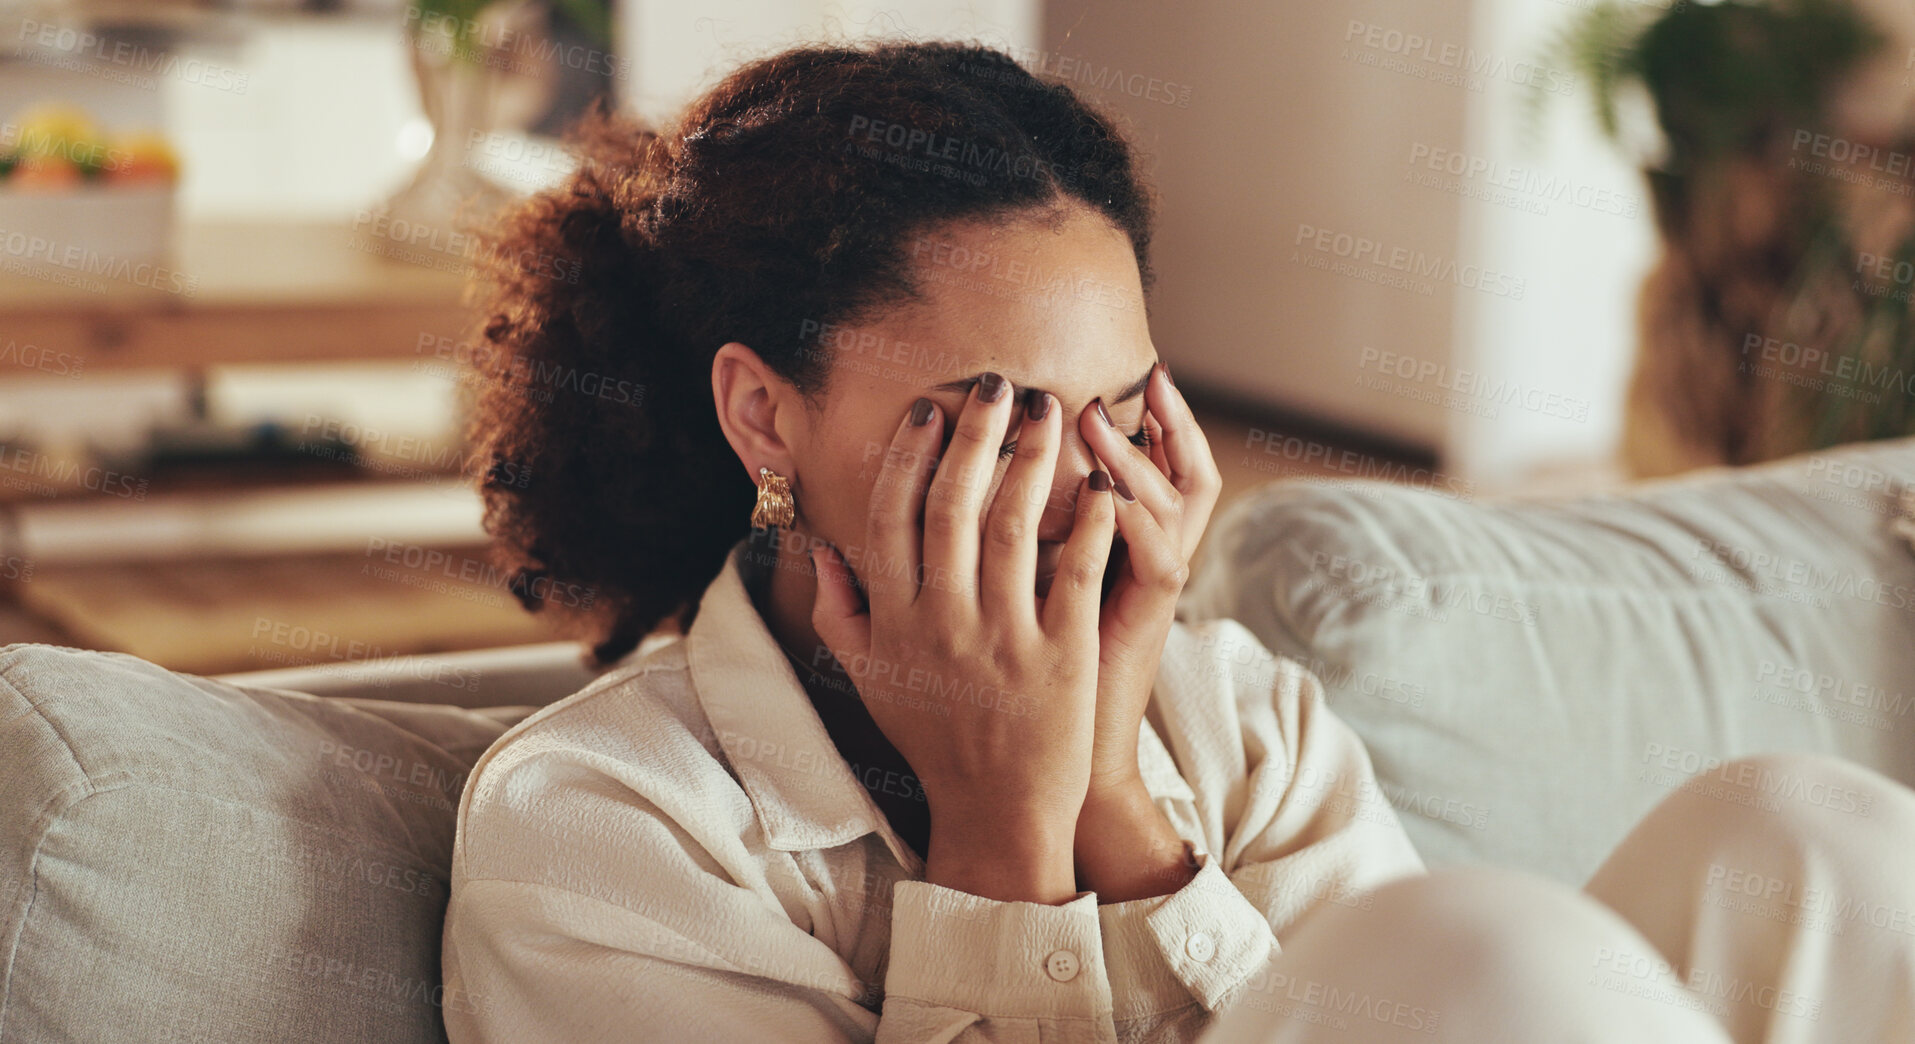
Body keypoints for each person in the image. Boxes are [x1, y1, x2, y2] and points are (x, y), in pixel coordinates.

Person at [437, 39, 1915, 1044]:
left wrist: (1108, 798)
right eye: (997, 417)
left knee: (1797, 838)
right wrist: (1004, 837)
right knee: (1473, 949)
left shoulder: (1239, 718)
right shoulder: (597, 829)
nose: (1094, 485)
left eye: (1124, 406)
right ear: (765, 415)